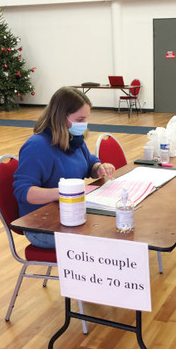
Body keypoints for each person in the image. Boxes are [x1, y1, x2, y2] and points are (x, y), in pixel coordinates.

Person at [13, 86, 115, 249]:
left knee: (112, 228)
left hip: (69, 213)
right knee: (104, 237)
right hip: (40, 226)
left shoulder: (74, 140)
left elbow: (89, 163)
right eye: (80, 119)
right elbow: (23, 192)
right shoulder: (37, 146)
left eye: (86, 119)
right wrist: (64, 193)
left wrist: (99, 168)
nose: (84, 124)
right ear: (61, 117)